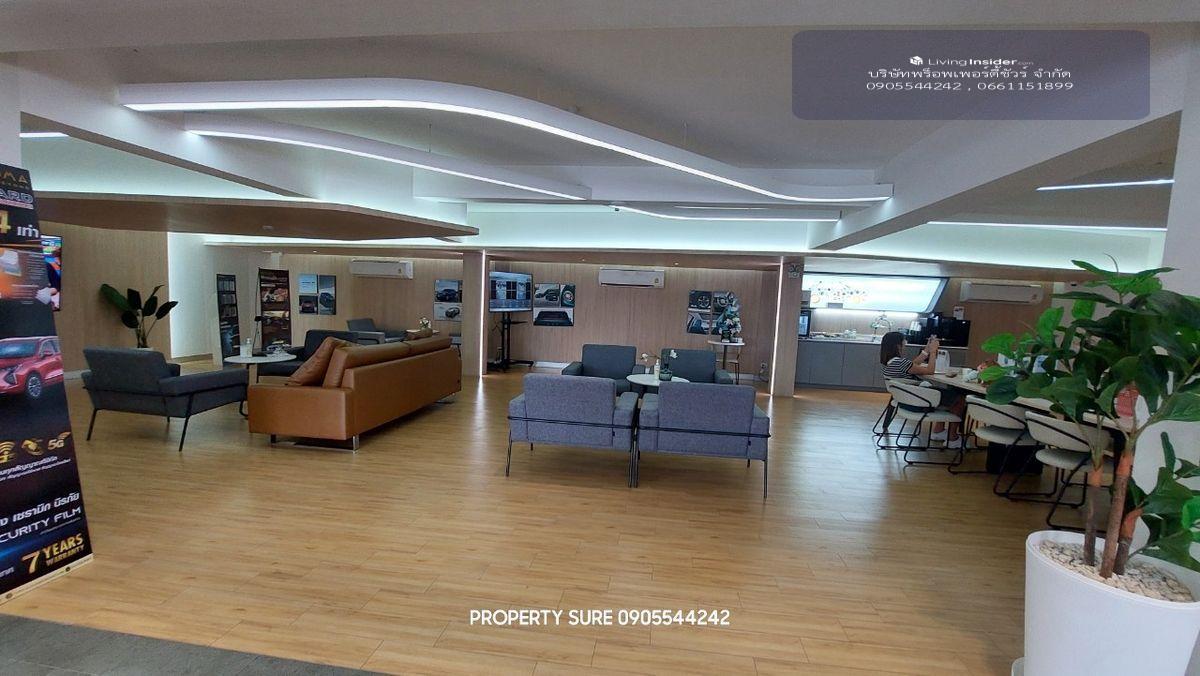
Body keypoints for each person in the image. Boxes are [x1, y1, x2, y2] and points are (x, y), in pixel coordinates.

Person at [878, 331, 964, 443]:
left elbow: (912, 365)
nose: (905, 343)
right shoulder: (901, 363)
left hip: (906, 401)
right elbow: (930, 370)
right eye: (904, 341)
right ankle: (952, 438)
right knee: (959, 399)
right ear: (898, 345)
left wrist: (926, 350)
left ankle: (939, 431)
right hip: (918, 402)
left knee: (948, 395)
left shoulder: (890, 363)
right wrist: (933, 352)